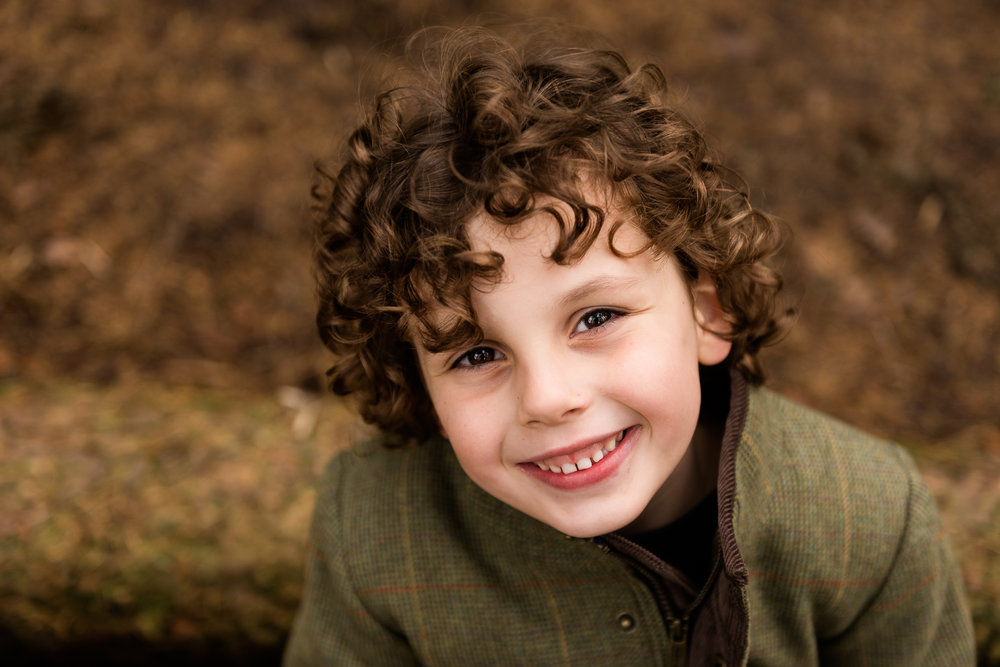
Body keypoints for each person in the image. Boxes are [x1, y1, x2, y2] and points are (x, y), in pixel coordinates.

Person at [283, 25, 975, 665]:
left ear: (707, 309)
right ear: (419, 384)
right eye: (474, 355)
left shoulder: (866, 514)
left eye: (596, 317)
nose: (550, 398)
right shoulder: (374, 527)